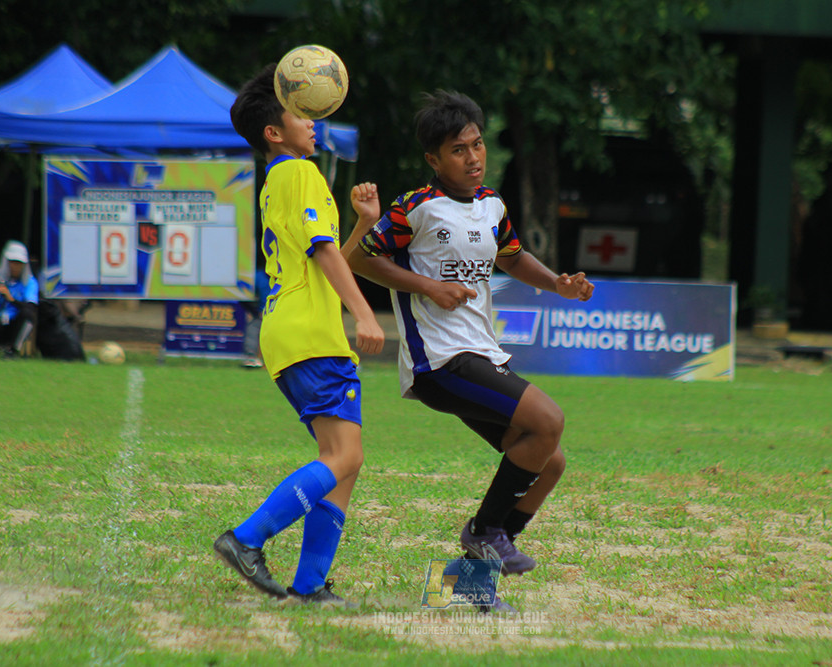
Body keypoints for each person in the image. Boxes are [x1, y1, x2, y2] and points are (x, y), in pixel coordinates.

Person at [348, 91, 594, 587]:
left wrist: (558, 285)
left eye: (477, 145)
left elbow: (511, 255)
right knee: (549, 421)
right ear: (433, 160)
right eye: (458, 150)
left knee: (549, 462)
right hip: (440, 362)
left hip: (481, 354)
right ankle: (483, 530)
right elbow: (360, 259)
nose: (473, 157)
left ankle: (471, 583)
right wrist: (429, 287)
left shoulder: (491, 205)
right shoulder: (415, 209)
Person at [213, 63, 385, 607]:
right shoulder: (302, 175)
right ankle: (246, 538)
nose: (313, 121)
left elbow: (333, 252)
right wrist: (364, 313)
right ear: (273, 131)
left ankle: (310, 585)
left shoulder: (279, 180)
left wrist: (362, 222)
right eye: (301, 112)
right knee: (344, 457)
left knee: (344, 460)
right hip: (311, 334)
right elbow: (325, 254)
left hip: (287, 334)